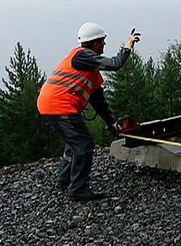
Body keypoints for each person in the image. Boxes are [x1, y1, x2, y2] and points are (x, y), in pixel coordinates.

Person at [37, 23, 141, 201]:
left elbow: (99, 101)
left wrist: (112, 123)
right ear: (94, 44)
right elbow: (115, 64)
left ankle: (65, 178)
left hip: (50, 104)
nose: (104, 45)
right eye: (102, 42)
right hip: (59, 106)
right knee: (84, 144)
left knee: (74, 142)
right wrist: (128, 46)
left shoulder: (86, 66)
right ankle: (78, 189)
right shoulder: (83, 56)